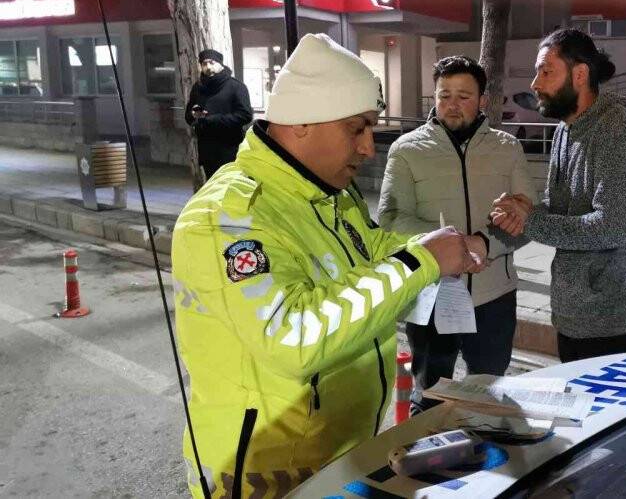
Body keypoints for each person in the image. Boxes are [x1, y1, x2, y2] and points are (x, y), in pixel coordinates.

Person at [171, 34, 484, 498]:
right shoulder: (227, 217)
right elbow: (293, 337)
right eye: (355, 128)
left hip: (340, 451)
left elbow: (371, 247)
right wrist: (421, 260)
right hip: (264, 473)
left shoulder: (326, 192)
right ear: (301, 123)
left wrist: (438, 245)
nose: (367, 148)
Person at [378, 55, 537, 412]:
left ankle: (485, 460)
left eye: (463, 96)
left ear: (482, 99)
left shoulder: (506, 149)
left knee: (490, 390)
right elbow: (389, 220)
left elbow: (527, 216)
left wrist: (483, 244)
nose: (452, 104)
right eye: (444, 94)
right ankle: (428, 462)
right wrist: (451, 245)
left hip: (493, 293)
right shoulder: (406, 150)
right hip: (431, 292)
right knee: (431, 394)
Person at [491, 29, 626, 363]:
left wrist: (532, 221)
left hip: (613, 323)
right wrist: (526, 211)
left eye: (546, 71)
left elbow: (611, 227)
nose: (535, 83)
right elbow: (560, 206)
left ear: (580, 75)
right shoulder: (567, 128)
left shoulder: (617, 130)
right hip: (574, 315)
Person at [184, 49, 253, 179]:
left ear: (220, 64)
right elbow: (188, 115)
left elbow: (245, 115)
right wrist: (194, 115)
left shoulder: (236, 87)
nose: (208, 67)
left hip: (230, 150)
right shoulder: (198, 88)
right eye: (204, 64)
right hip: (207, 151)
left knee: (230, 189)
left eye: (212, 62)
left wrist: (214, 119)